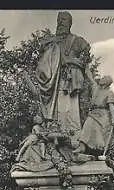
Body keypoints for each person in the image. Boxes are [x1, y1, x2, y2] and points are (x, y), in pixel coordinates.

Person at [34, 11, 91, 142]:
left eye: (64, 20)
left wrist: (70, 61)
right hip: (52, 82)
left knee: (70, 112)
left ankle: (73, 139)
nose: (60, 22)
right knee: (57, 111)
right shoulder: (50, 42)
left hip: (69, 81)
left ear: (70, 23)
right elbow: (43, 59)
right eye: (59, 20)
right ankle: (55, 133)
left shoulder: (78, 41)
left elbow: (85, 59)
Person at [73, 70, 114, 156]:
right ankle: (82, 146)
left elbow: (111, 106)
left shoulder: (109, 93)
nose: (101, 79)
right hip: (93, 113)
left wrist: (113, 118)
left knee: (99, 136)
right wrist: (86, 68)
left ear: (107, 82)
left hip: (103, 115)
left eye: (104, 78)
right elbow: (90, 78)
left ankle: (98, 152)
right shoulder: (95, 88)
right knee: (87, 126)